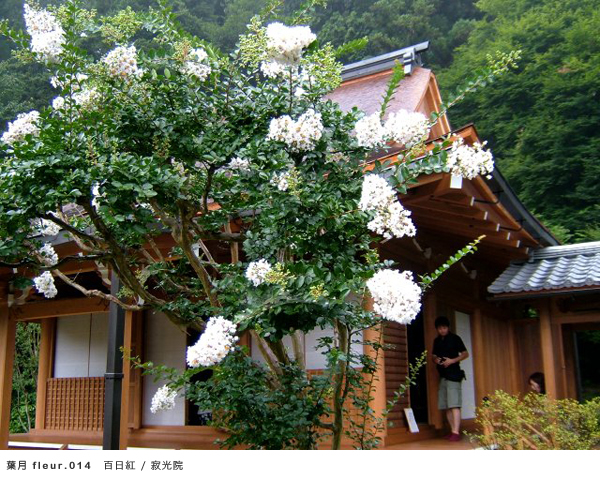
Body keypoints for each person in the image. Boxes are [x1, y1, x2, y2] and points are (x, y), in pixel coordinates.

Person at [432, 316, 469, 442]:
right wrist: (436, 360)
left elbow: (465, 353)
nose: (442, 330)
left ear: (448, 327)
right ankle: (452, 430)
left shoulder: (455, 338)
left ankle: (456, 432)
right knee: (446, 405)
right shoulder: (437, 341)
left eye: (444, 327)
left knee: (454, 404)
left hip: (454, 375)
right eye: (440, 328)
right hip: (443, 375)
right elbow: (433, 355)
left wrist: (452, 360)